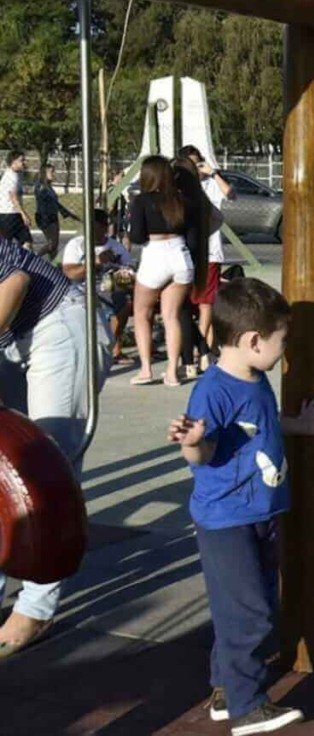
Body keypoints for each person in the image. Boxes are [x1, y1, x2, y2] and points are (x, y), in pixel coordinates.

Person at [167, 277, 314, 735]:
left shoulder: (255, 380)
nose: (286, 350)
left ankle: (224, 689)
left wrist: (294, 424)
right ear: (253, 340)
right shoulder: (212, 392)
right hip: (226, 520)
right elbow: (199, 454)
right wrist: (194, 443)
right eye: (283, 341)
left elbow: (256, 426)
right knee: (250, 614)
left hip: (260, 513)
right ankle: (248, 706)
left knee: (238, 607)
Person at [0, 235, 109, 657]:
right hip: (13, 340)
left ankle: (36, 608)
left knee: (42, 469)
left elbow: (14, 279)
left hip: (58, 323)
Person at [128, 156, 196, 387]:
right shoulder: (182, 200)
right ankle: (172, 372)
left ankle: (146, 369)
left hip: (155, 255)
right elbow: (193, 235)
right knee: (171, 316)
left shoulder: (141, 201)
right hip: (180, 255)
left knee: (142, 313)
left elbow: (137, 236)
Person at [178, 145, 233, 367]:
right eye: (191, 164)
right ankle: (197, 347)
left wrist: (214, 173)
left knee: (206, 303)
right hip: (185, 252)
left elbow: (232, 195)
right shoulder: (179, 187)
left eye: (198, 163)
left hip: (209, 252)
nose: (195, 169)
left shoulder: (210, 184)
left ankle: (204, 349)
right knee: (185, 302)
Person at [61, 209, 135, 363]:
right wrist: (94, 263)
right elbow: (70, 273)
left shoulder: (116, 247)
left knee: (125, 302)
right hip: (81, 288)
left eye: (94, 226)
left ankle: (112, 347)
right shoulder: (76, 245)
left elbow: (130, 272)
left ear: (104, 227)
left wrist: (118, 276)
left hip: (110, 286)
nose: (90, 231)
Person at [34, 163, 79, 259]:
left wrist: (69, 214)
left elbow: (56, 204)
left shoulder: (49, 187)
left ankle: (53, 267)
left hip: (52, 217)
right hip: (45, 218)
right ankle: (34, 257)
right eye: (51, 172)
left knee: (54, 246)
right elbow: (44, 202)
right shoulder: (41, 187)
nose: (53, 174)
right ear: (44, 173)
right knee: (52, 244)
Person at [0, 151, 31, 248]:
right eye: (22, 160)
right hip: (7, 215)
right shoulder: (11, 176)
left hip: (15, 214)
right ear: (13, 162)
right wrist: (23, 214)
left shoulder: (17, 174)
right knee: (5, 248)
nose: (24, 162)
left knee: (27, 242)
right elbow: (13, 197)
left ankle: (23, 262)